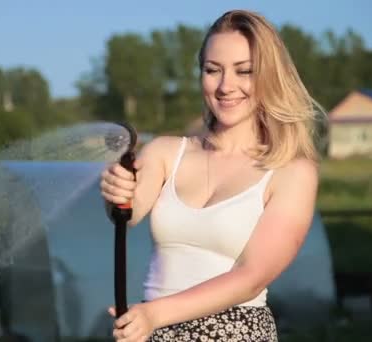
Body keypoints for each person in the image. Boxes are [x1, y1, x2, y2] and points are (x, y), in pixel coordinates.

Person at [100, 9, 323, 342]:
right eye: (212, 70)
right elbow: (127, 212)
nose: (225, 86)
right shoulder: (165, 152)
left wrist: (154, 314)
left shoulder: (292, 171)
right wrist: (116, 190)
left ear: (269, 77)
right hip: (151, 330)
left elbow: (252, 277)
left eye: (244, 71)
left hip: (234, 332)